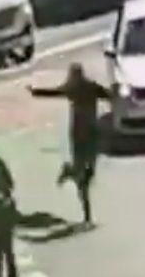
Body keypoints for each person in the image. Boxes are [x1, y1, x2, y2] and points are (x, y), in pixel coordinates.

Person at [28, 63, 111, 224]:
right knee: (87, 174)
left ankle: (70, 172)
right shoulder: (89, 87)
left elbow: (53, 92)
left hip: (81, 133)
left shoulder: (73, 88)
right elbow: (110, 95)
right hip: (88, 133)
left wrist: (35, 92)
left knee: (84, 173)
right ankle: (87, 216)